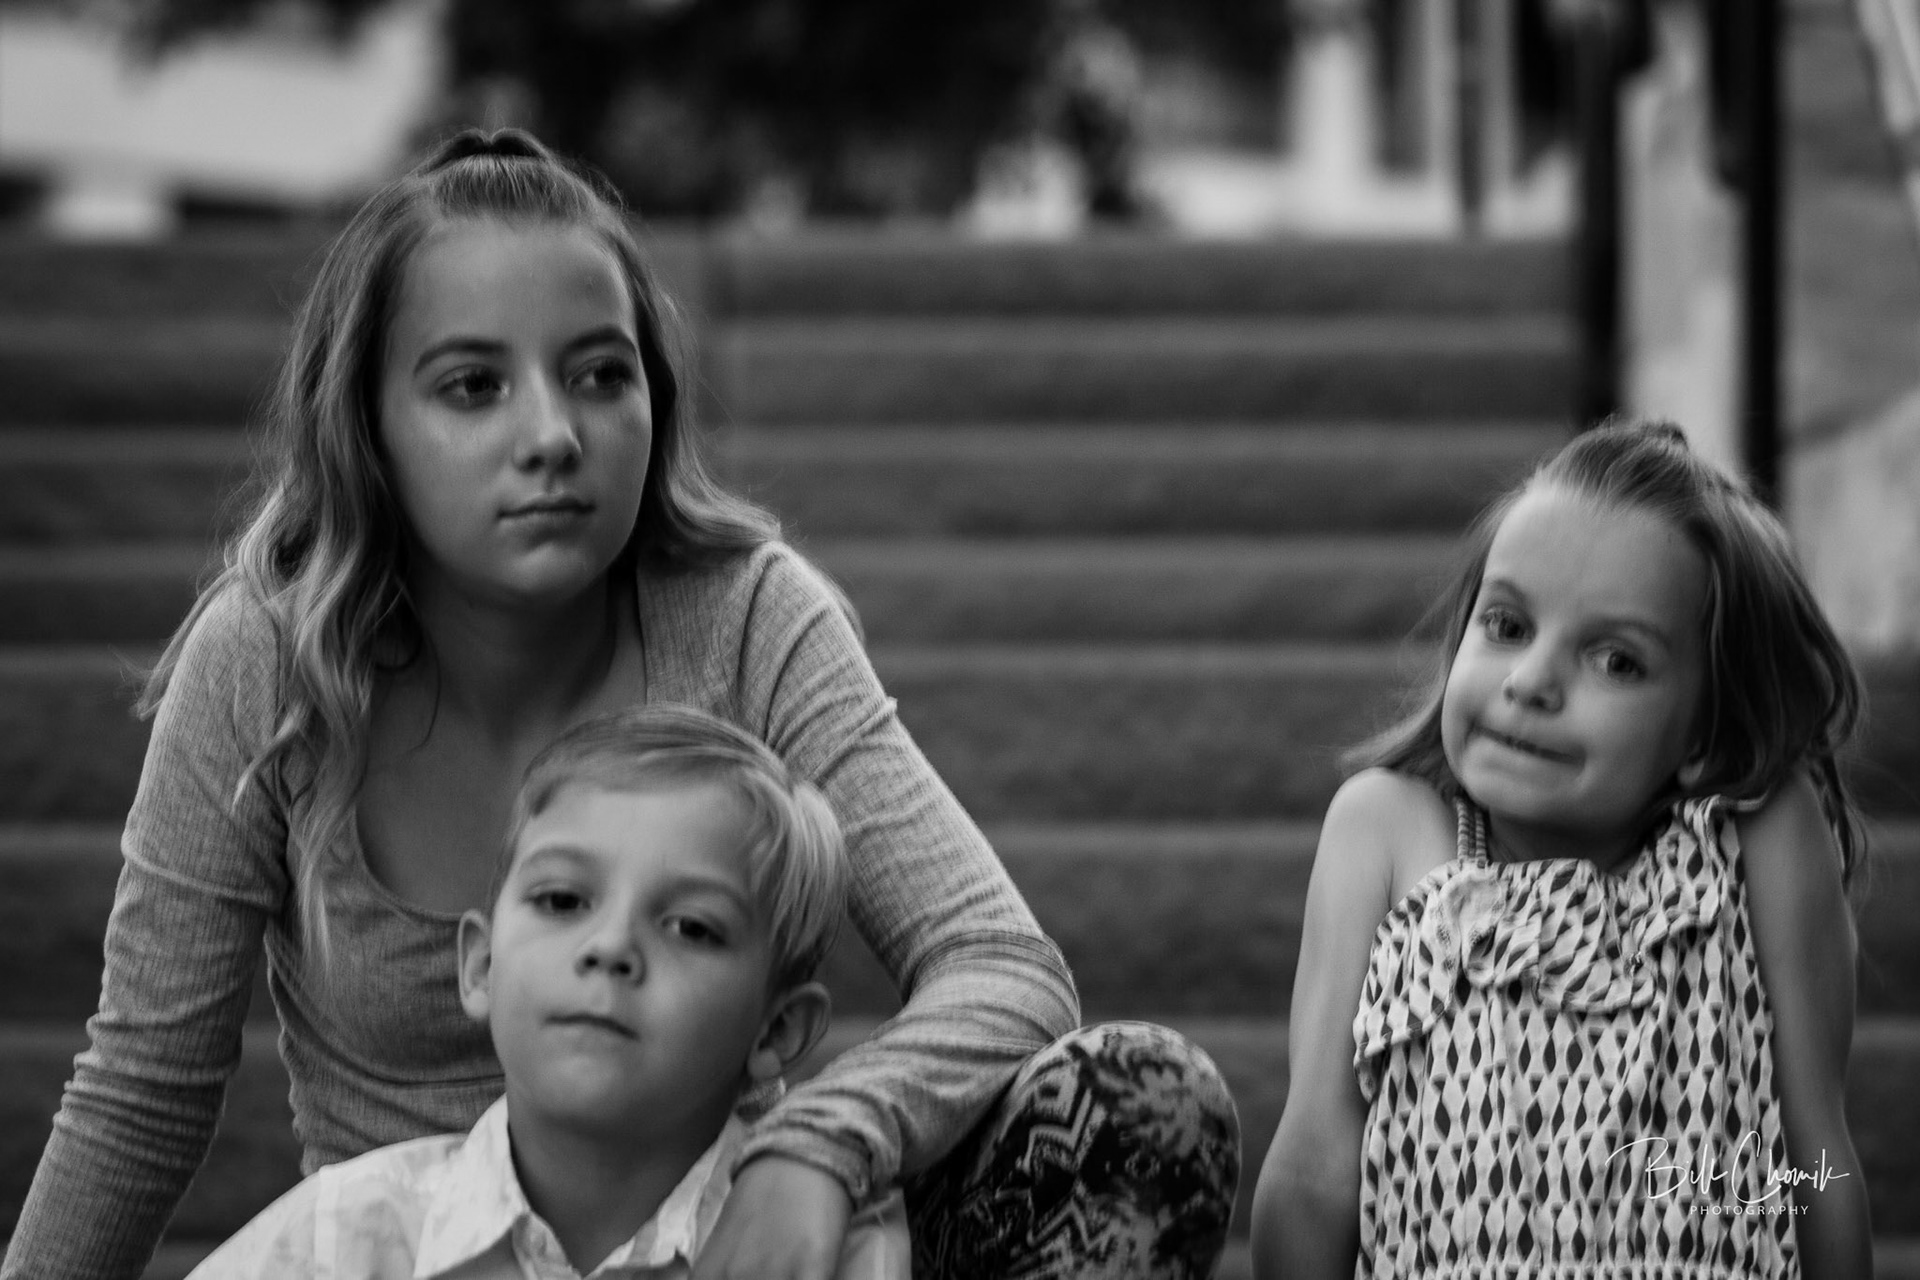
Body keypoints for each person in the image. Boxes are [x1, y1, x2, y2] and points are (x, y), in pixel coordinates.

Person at [3, 129, 1238, 1280]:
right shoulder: (270, 656)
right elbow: (144, 1088)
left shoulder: (742, 612)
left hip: (723, 1231)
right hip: (428, 1247)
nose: (553, 433)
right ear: (369, 429)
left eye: (600, 373)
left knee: (1141, 1102)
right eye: (473, 386)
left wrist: (818, 1144)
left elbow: (1003, 966)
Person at [1250, 419, 1873, 1279]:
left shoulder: (1757, 840)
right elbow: (1316, 1165)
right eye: (1506, 625)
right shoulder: (1387, 832)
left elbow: (1816, 1156)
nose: (1532, 681)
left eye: (1616, 661)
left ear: (1701, 732)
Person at [185, 705, 908, 1279]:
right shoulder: (340, 1238)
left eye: (691, 927)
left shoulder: (824, 1248)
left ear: (777, 1030)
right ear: (480, 967)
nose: (611, 947)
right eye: (563, 901)